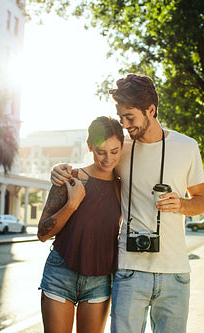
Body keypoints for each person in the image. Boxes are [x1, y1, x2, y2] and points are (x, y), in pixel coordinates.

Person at [51, 73, 204, 333]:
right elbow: (90, 170)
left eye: (130, 117)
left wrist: (180, 204)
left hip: (176, 272)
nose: (124, 125)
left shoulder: (187, 147)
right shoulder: (120, 148)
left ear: (151, 110)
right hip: (129, 271)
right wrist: (58, 169)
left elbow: (200, 202)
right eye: (120, 117)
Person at [37, 116, 124, 333]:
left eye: (114, 151)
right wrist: (72, 204)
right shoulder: (70, 179)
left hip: (100, 279)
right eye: (100, 151)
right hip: (61, 273)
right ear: (89, 147)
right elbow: (42, 233)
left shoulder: (123, 187)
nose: (107, 159)